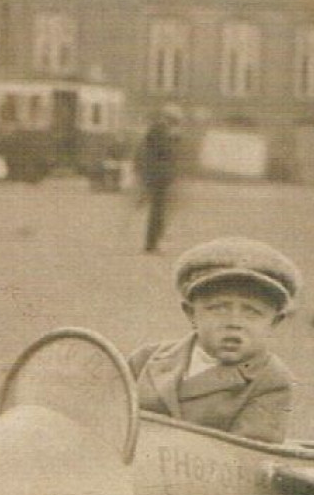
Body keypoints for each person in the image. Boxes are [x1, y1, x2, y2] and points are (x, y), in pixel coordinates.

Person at [128, 237, 301, 443]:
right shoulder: (147, 358)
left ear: (274, 322)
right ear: (191, 313)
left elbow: (247, 458)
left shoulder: (270, 379)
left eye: (252, 312)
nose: (234, 322)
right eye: (218, 308)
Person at [135, 105, 183, 253]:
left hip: (159, 175)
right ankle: (151, 244)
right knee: (157, 211)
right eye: (174, 121)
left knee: (159, 210)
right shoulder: (159, 130)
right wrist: (173, 139)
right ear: (169, 119)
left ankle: (155, 240)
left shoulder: (160, 130)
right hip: (158, 176)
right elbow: (164, 152)